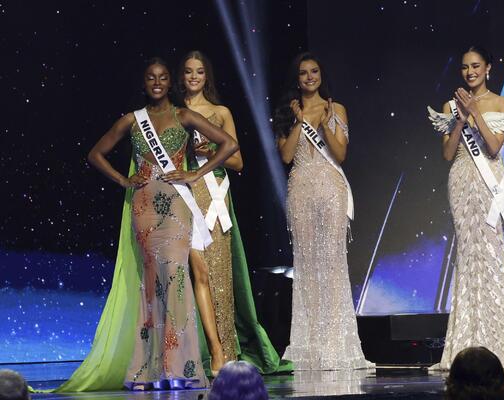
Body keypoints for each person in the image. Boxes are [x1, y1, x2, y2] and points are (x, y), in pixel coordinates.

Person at [84, 57, 238, 390]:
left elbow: (230, 144)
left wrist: (196, 173)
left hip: (176, 207)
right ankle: (149, 370)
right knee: (151, 283)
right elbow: (95, 154)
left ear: (170, 82)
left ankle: (181, 368)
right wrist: (123, 180)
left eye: (163, 77)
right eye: (151, 78)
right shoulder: (132, 120)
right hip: (144, 209)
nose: (157, 82)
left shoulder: (184, 116)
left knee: (177, 279)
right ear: (144, 83)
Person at [178, 50, 292, 375]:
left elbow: (238, 161)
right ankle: (193, 353)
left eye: (200, 71)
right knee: (191, 273)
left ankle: (225, 352)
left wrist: (210, 150)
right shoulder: (174, 113)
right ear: (181, 76)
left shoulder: (220, 112)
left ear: (207, 77)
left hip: (213, 193)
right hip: (184, 194)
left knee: (218, 274)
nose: (194, 77)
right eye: (188, 71)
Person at [427, 46, 504, 370]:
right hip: (461, 180)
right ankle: (467, 339)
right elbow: (448, 153)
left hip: (491, 184)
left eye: (475, 66)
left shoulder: (502, 103)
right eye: (465, 67)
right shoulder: (449, 106)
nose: (470, 72)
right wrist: (460, 120)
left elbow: (495, 146)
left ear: (488, 68)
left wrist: (474, 110)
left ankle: (501, 341)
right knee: (468, 255)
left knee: (492, 253)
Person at [273, 52, 372, 370]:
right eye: (303, 73)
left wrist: (325, 123)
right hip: (300, 189)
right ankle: (310, 345)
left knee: (331, 264)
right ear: (297, 78)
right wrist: (300, 120)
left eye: (314, 71)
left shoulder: (336, 108)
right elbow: (286, 156)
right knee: (306, 266)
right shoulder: (287, 112)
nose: (309, 77)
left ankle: (335, 344)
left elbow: (339, 154)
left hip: (331, 188)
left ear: (321, 75)